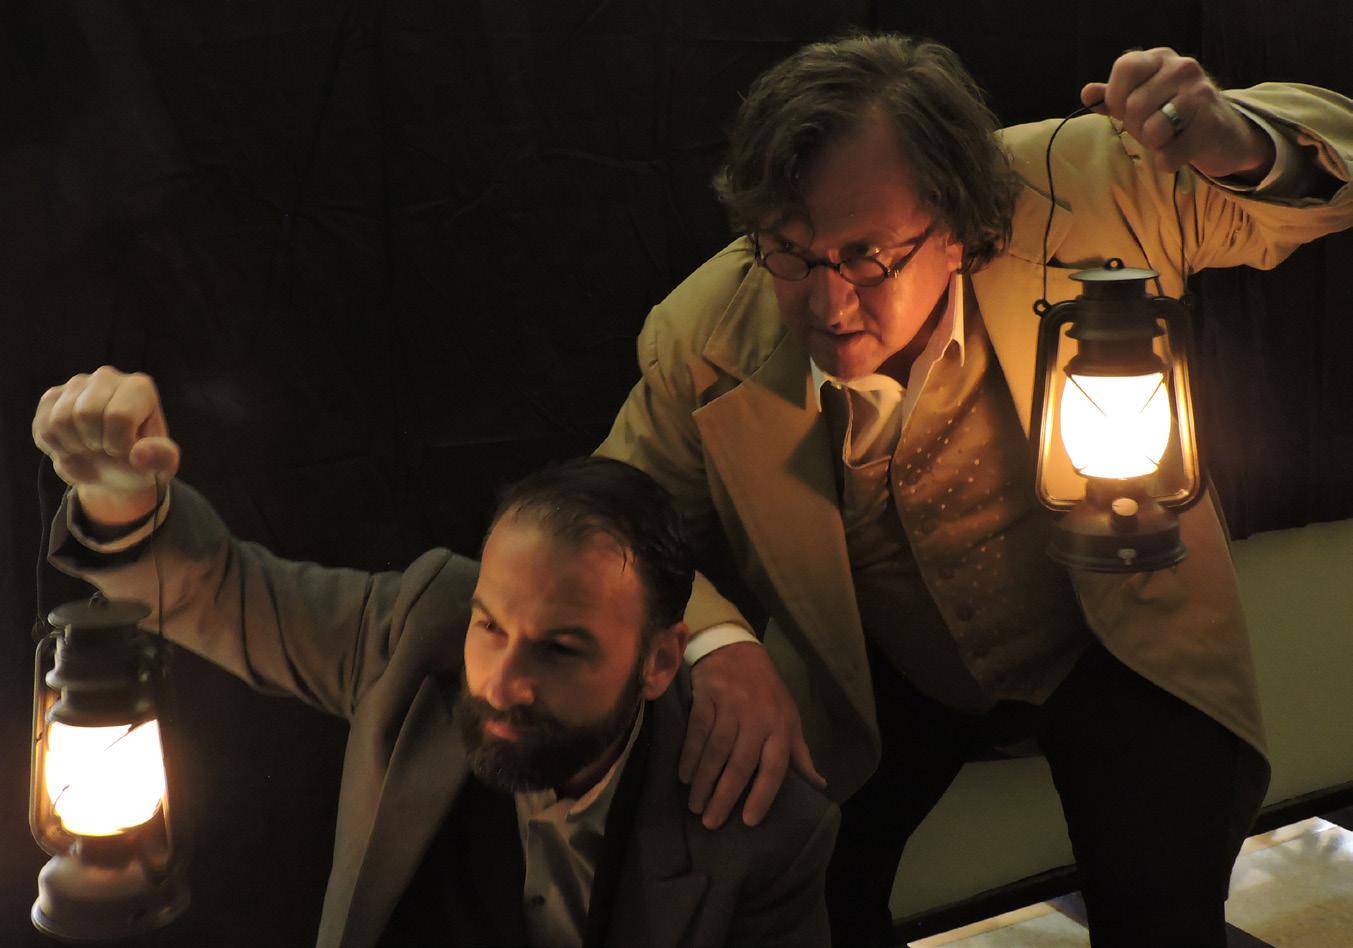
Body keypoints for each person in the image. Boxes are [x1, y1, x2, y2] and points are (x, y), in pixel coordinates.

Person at [595, 31, 1353, 948]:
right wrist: (717, 645)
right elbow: (605, 523)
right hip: (882, 667)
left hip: (1122, 642)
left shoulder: (1078, 186)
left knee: (1161, 903)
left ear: (956, 222)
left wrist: (1240, 141)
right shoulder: (701, 336)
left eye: (867, 255)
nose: (828, 307)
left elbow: (1336, 168)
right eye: (789, 252)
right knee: (797, 892)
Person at [31, 368, 839, 948]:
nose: (504, 681)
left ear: (659, 664)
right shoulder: (421, 632)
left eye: (560, 649)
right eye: (490, 625)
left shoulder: (765, 834)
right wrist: (120, 501)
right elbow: (221, 594)